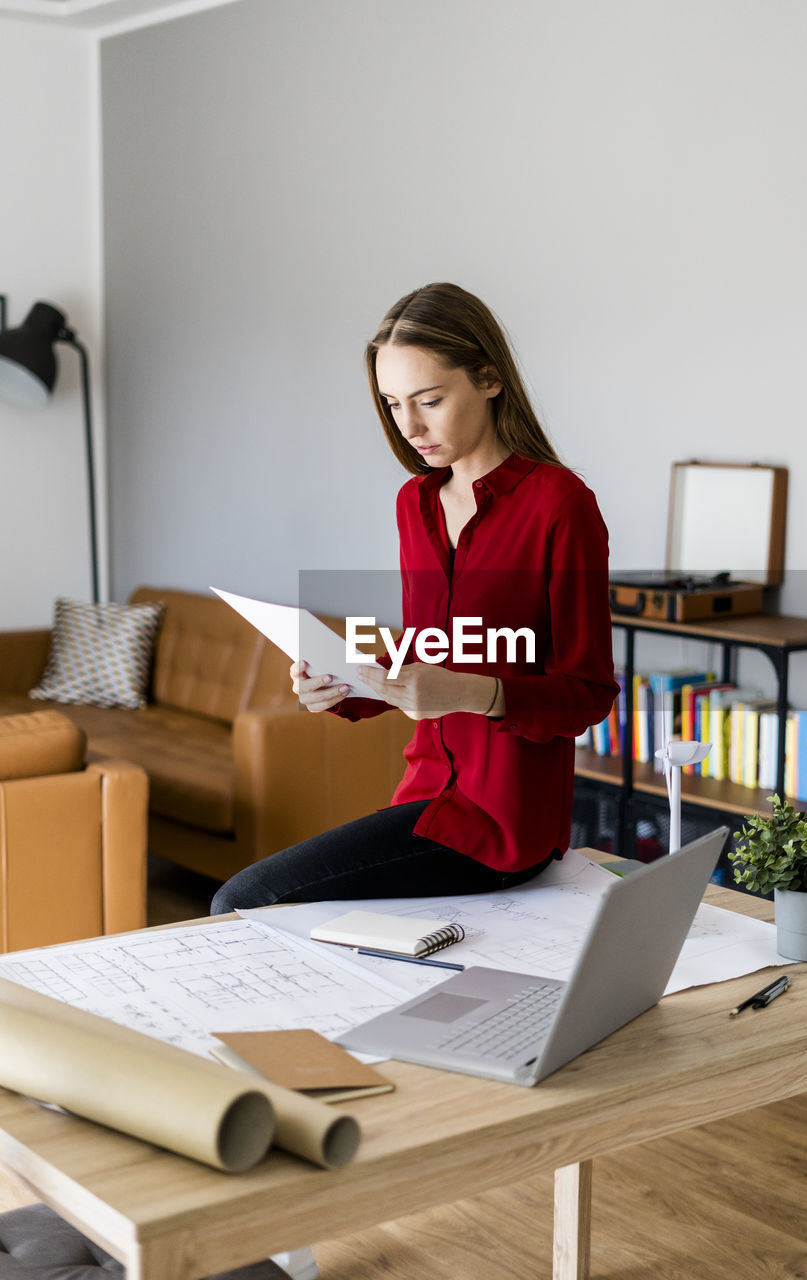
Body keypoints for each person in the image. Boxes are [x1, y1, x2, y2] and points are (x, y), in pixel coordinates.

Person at [211, 282, 618, 915]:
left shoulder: (560, 505)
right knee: (265, 909)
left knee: (242, 902)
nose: (410, 426)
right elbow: (436, 648)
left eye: (429, 400)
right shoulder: (416, 504)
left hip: (502, 828)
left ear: (488, 378)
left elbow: (588, 692)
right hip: (424, 797)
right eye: (394, 404)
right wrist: (347, 684)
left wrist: (472, 693)